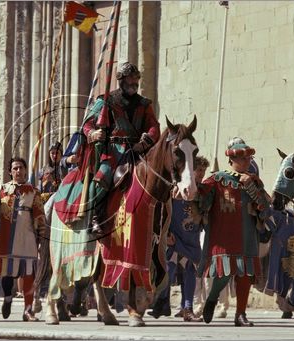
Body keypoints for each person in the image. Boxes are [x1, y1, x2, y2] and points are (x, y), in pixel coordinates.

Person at [197, 138, 275, 326]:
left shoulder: (254, 181)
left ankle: (240, 314)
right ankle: (212, 298)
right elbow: (201, 202)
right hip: (223, 234)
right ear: (232, 160)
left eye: (249, 158)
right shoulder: (216, 180)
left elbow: (265, 210)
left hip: (248, 235)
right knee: (223, 273)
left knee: (245, 274)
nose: (248, 161)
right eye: (243, 158)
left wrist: (251, 186)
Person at [82, 62, 160, 234]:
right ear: (121, 80)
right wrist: (94, 134)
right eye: (130, 79)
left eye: (136, 79)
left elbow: (154, 127)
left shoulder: (144, 104)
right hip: (114, 151)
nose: (133, 82)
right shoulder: (107, 101)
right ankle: (97, 215)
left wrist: (145, 141)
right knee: (103, 177)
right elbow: (87, 125)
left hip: (138, 150)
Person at [147, 156, 209, 322]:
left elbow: (207, 213)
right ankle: (162, 303)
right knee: (169, 270)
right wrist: (165, 233)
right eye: (198, 170)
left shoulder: (203, 191)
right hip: (174, 236)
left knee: (190, 271)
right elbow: (163, 210)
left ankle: (187, 308)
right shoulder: (176, 188)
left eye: (203, 170)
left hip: (192, 238)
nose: (201, 173)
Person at [0, 157, 47, 322]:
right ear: (10, 171)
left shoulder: (34, 191)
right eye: (15, 168)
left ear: (25, 170)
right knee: (7, 274)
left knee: (28, 274)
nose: (18, 171)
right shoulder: (2, 190)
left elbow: (39, 213)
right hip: (7, 236)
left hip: (27, 236)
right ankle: (8, 298)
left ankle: (28, 310)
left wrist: (41, 234)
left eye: (21, 168)